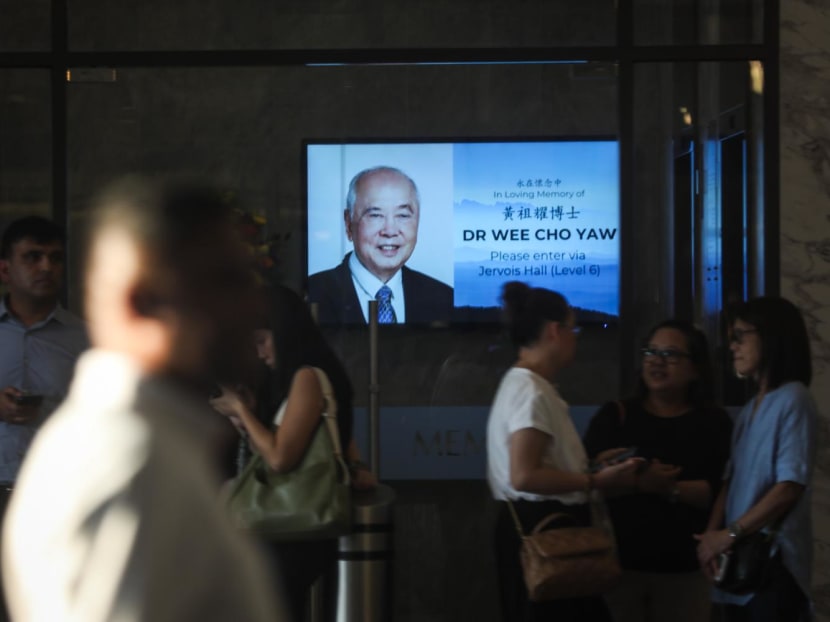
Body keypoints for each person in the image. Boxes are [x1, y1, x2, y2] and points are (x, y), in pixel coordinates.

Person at [2, 178, 286, 621]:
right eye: (226, 281)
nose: (252, 305)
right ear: (140, 300)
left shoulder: (151, 447)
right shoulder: (130, 464)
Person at [211, 286, 376, 622]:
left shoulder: (306, 377)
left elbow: (280, 459)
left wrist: (242, 411)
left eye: (262, 340)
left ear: (283, 332)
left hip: (292, 535)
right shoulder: (315, 375)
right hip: (298, 533)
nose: (258, 353)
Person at [487, 281, 641, 622]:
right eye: (574, 328)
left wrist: (589, 467)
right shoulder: (530, 391)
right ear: (555, 331)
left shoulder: (527, 385)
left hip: (536, 527)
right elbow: (524, 474)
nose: (576, 338)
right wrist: (594, 482)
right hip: (545, 531)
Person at [583, 320, 733, 622]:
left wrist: (668, 488)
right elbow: (587, 482)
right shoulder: (615, 416)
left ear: (695, 368)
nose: (657, 360)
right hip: (617, 568)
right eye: (651, 351)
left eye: (671, 354)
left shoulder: (713, 423)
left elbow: (718, 491)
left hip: (685, 571)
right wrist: (639, 482)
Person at [695, 297, 817, 622]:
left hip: (772, 563)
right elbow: (731, 480)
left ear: (771, 336)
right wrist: (711, 538)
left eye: (741, 336)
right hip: (738, 560)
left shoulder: (794, 398)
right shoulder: (750, 409)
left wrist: (729, 534)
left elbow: (789, 486)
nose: (733, 347)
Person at [0, 217, 88, 482]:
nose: (47, 267)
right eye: (32, 257)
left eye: (56, 258)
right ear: (5, 271)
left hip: (58, 487)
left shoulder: (88, 339)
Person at [307, 166, 453, 325]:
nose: (390, 231)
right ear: (349, 223)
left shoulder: (444, 299)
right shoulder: (312, 293)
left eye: (403, 215)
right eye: (375, 215)